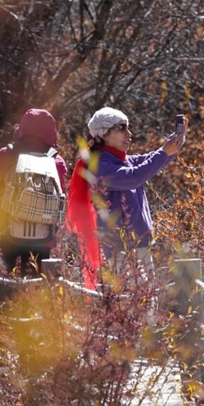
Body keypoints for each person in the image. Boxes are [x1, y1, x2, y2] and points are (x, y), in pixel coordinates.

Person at [67, 107, 186, 282]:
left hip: (137, 245)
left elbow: (152, 160)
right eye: (122, 128)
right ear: (105, 134)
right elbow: (134, 177)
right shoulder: (99, 165)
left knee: (146, 303)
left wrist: (175, 141)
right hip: (120, 249)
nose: (129, 134)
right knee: (134, 304)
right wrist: (163, 153)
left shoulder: (124, 160)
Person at [0, 108, 68, 274]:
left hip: (4, 233)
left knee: (2, 284)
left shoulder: (6, 154)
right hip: (43, 238)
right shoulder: (56, 160)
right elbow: (62, 197)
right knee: (37, 288)